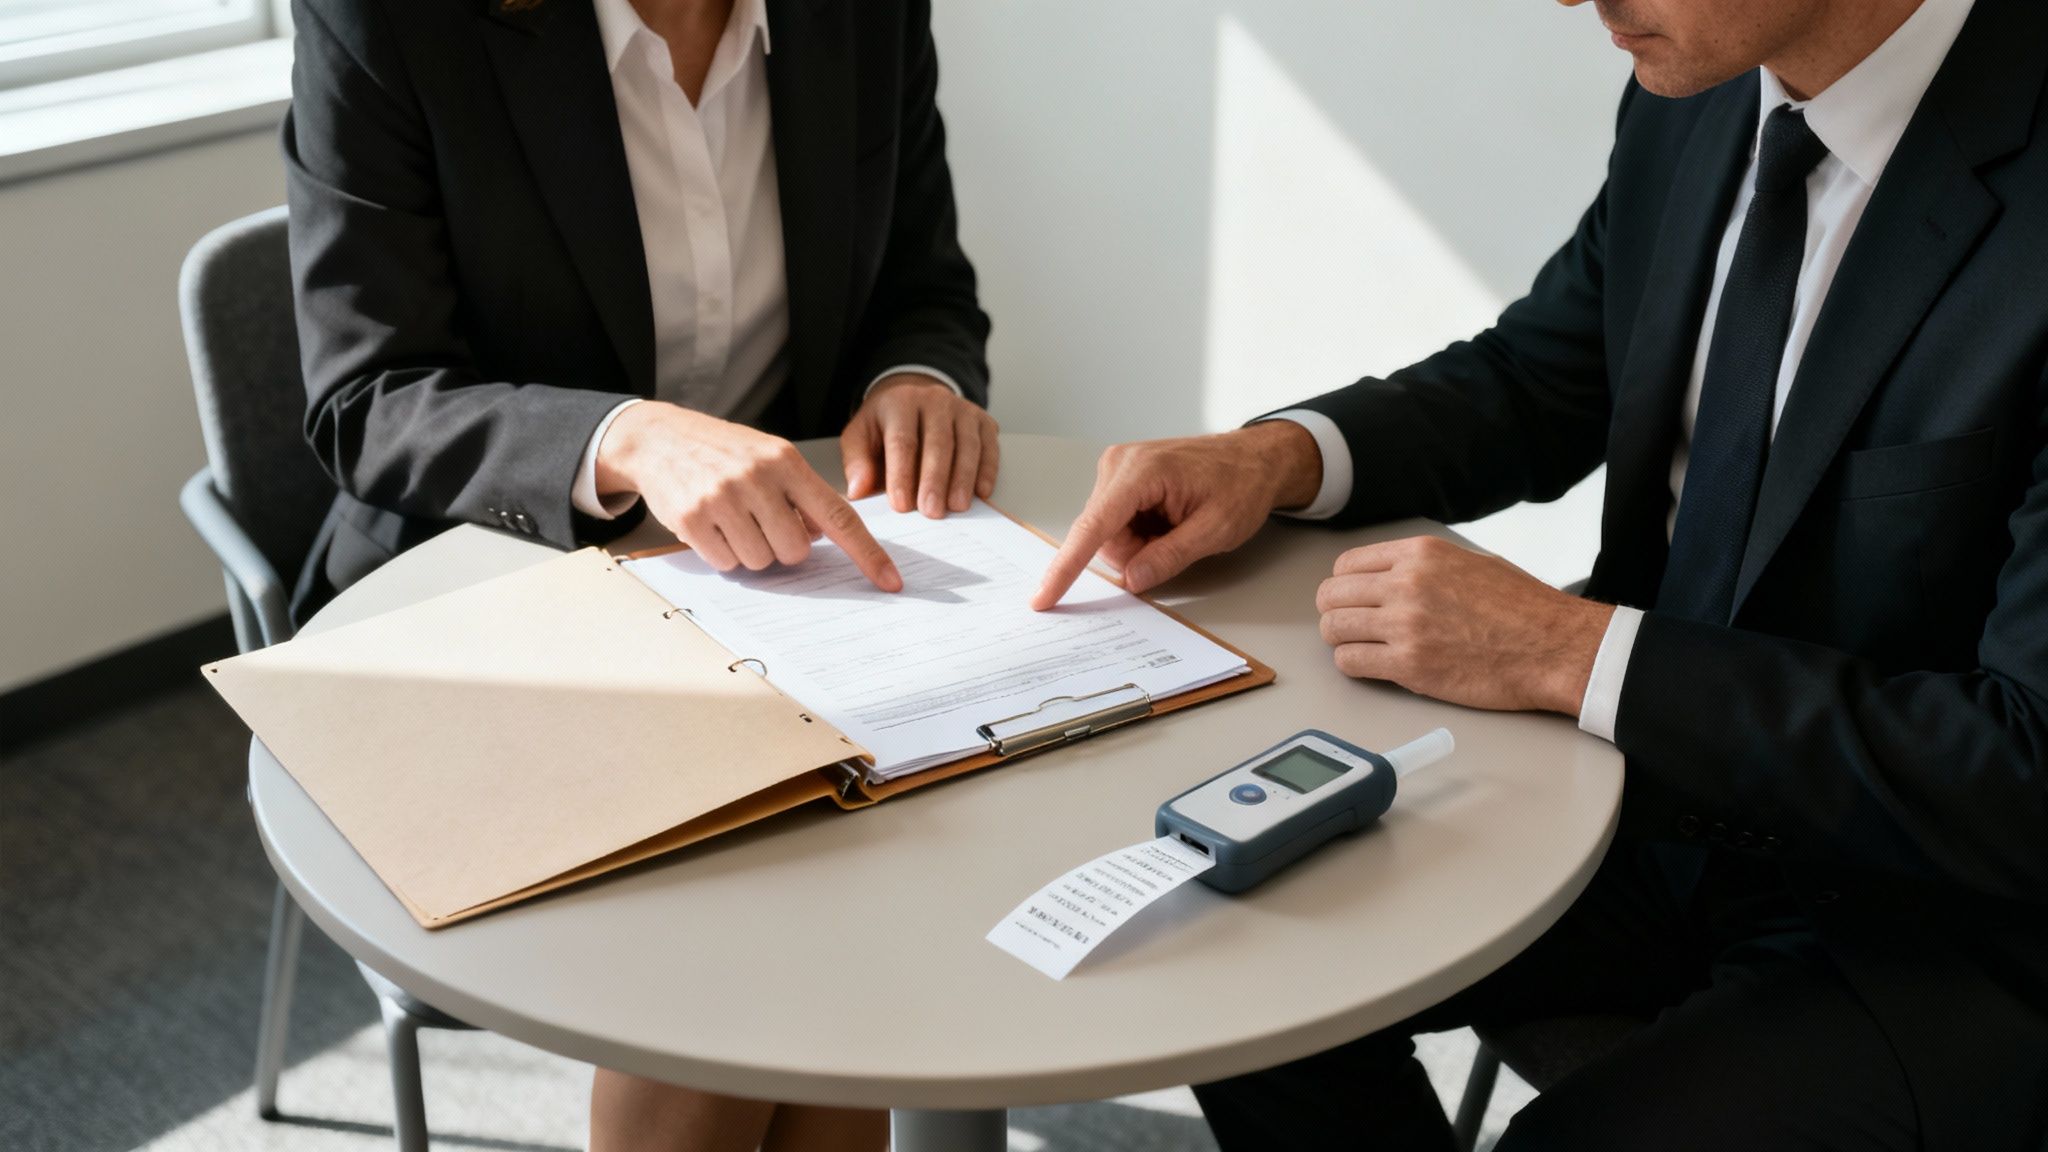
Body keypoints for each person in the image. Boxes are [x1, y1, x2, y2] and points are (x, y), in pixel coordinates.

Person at [1033, 0, 2047, 1147]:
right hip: (1640, 796)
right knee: (1226, 955)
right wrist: (1278, 456)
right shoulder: (1706, 85)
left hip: (1933, 911)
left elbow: (2023, 766)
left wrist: (1564, 650)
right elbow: (1544, 376)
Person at [284, 0, 993, 1147]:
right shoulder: (392, 21)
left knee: (861, 932)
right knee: (763, 975)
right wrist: (623, 439)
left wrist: (918, 374)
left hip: (792, 587)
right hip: (494, 592)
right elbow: (366, 398)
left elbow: (922, 283)